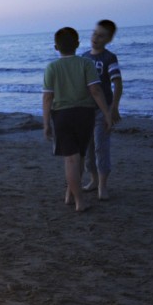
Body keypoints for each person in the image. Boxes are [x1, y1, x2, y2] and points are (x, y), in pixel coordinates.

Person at [42, 27, 111, 213]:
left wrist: (46, 122)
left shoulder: (52, 67)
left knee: (70, 159)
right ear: (78, 44)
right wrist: (107, 113)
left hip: (62, 115)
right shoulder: (86, 63)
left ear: (56, 47)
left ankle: (75, 198)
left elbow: (48, 97)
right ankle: (73, 196)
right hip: (84, 114)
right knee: (79, 157)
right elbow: (96, 91)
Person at [81, 19, 122, 200]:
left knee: (101, 147)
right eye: (94, 33)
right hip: (85, 109)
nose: (95, 38)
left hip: (102, 110)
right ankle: (94, 180)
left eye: (101, 35)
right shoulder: (84, 57)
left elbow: (117, 84)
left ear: (109, 39)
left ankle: (103, 186)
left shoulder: (109, 58)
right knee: (87, 149)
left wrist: (114, 108)